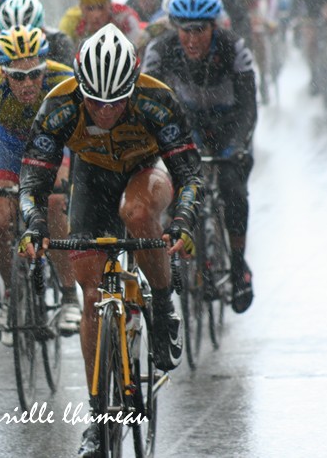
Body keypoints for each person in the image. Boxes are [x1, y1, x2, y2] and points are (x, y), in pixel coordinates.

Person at [17, 24, 201, 456]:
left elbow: (189, 173)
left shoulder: (157, 99)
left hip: (145, 170)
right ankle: (99, 417)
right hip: (92, 179)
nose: (104, 110)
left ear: (132, 88)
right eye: (95, 100)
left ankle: (160, 302)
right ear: (81, 87)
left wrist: (185, 219)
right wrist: (34, 223)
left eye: (115, 100)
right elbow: (32, 180)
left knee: (137, 214)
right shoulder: (59, 104)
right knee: (93, 295)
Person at [0, 25, 80, 345]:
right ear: (3, 72)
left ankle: (68, 295)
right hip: (8, 153)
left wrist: (78, 182)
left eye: (34, 74)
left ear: (44, 68)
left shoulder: (66, 83)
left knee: (52, 205)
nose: (28, 84)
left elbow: (81, 140)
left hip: (51, 148)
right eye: (17, 76)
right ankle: (11, 293)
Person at [142, 0, 256, 313]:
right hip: (187, 122)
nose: (192, 39)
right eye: (185, 30)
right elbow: (150, 102)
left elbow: (249, 106)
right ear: (174, 28)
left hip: (228, 124)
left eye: (200, 30)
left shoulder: (234, 47)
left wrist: (237, 146)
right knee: (176, 183)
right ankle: (183, 247)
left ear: (213, 27)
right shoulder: (160, 49)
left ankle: (237, 264)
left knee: (233, 187)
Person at [0, 0, 75, 74]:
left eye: (30, 36)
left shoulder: (60, 42)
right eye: (13, 39)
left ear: (42, 29)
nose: (21, 44)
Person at [59, 0, 143, 49]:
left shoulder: (125, 17)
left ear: (110, 5)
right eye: (90, 8)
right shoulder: (72, 21)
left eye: (101, 7)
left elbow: (136, 48)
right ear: (81, 8)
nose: (96, 15)